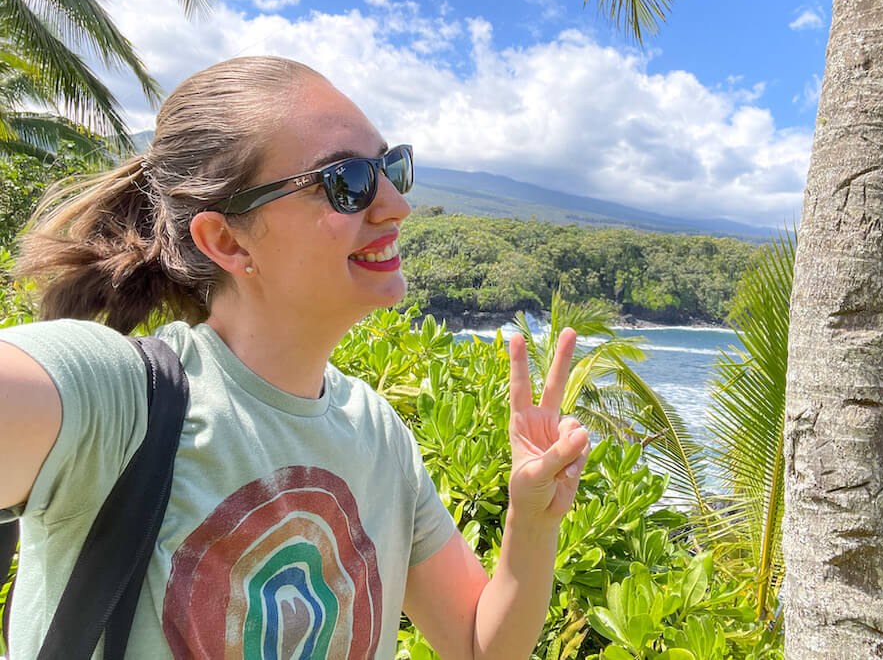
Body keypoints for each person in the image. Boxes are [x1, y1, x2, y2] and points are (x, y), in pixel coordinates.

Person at [0, 56, 591, 659]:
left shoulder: (378, 435)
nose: (395, 207)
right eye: (346, 181)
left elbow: (478, 646)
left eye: (391, 168)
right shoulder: (119, 399)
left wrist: (532, 525)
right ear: (227, 240)